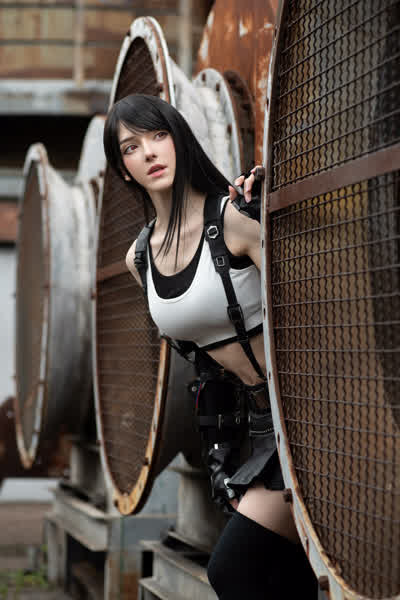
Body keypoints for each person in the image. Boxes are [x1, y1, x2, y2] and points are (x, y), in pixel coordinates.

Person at [103, 94, 317, 599]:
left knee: (234, 570)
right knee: (285, 575)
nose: (149, 152)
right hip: (254, 427)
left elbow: (313, 304)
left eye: (158, 135)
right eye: (131, 147)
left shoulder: (234, 218)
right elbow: (203, 364)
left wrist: (267, 200)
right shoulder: (140, 258)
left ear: (180, 140)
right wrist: (223, 452)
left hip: (306, 412)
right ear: (124, 169)